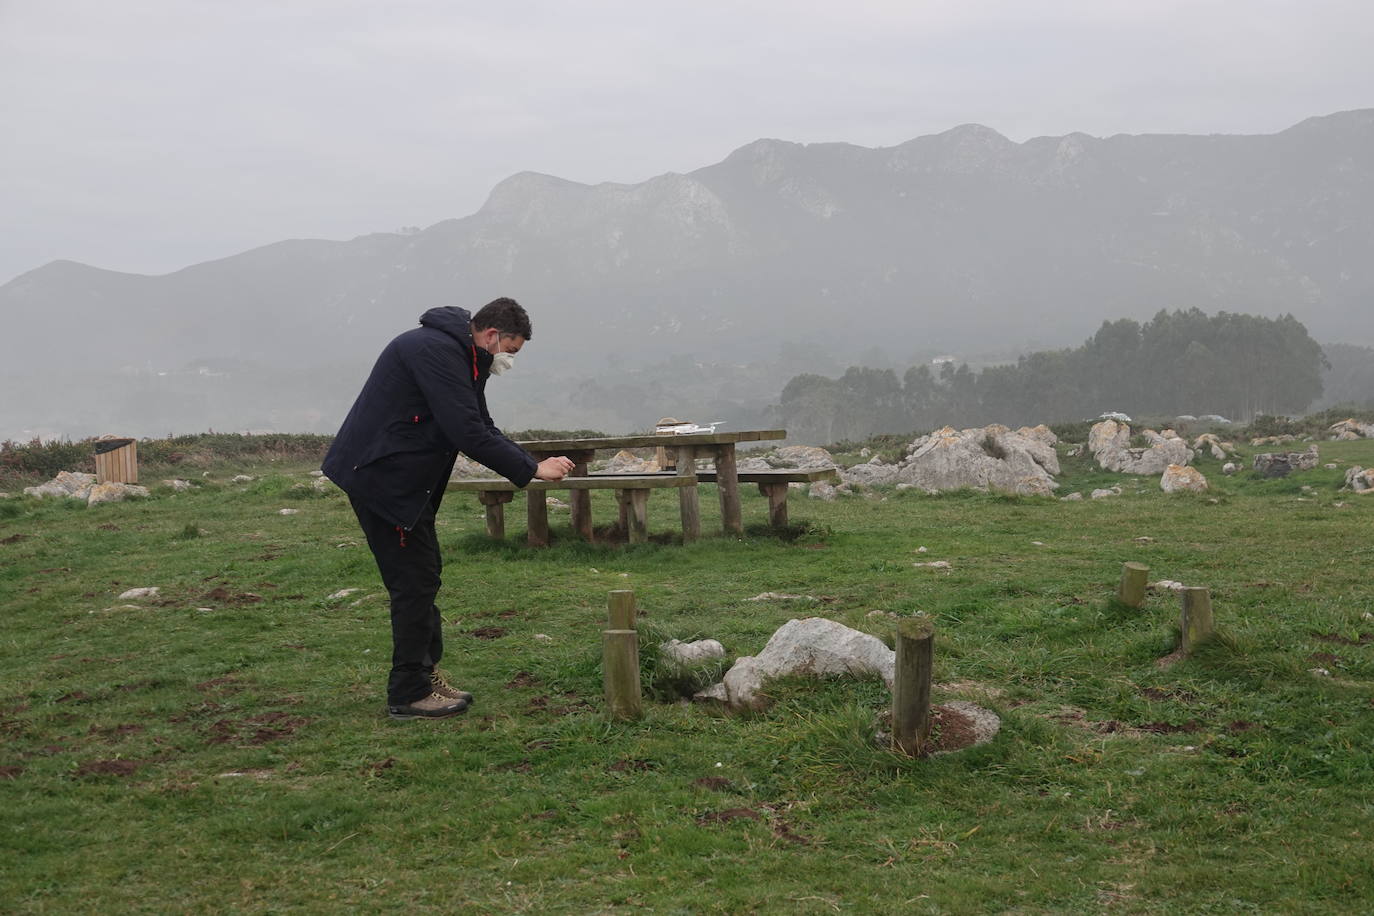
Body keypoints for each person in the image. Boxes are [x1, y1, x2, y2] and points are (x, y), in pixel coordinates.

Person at [322, 297, 574, 719]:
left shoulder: (463, 354)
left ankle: (425, 673)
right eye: (510, 351)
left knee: (425, 573)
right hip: (384, 479)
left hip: (404, 479)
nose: (508, 360)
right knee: (414, 582)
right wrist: (531, 468)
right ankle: (408, 692)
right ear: (492, 335)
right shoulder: (435, 352)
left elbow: (480, 422)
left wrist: (528, 460)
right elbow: (466, 432)